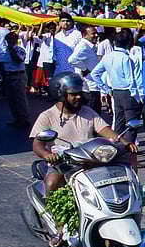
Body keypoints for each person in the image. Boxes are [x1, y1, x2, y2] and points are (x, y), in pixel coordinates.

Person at [30, 73, 131, 201]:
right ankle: (55, 217)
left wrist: (125, 143)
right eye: (73, 94)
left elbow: (106, 131)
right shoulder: (47, 116)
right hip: (63, 163)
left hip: (92, 160)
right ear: (61, 95)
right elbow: (37, 144)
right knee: (52, 183)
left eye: (80, 93)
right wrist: (47, 155)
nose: (78, 97)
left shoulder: (88, 112)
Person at [87, 29, 143, 144]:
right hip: (127, 93)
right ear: (128, 43)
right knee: (132, 126)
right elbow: (130, 79)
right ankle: (129, 151)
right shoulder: (125, 58)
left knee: (119, 124)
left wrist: (106, 89)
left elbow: (94, 74)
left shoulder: (108, 56)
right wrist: (137, 97)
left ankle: (116, 148)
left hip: (116, 92)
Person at [1, 31, 31, 129]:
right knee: (12, 100)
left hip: (18, 76)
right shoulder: (5, 50)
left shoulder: (19, 49)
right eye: (8, 40)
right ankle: (17, 118)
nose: (10, 41)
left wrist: (12, 51)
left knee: (20, 99)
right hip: (8, 76)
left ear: (16, 40)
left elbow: (18, 60)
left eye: (12, 39)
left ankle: (24, 119)